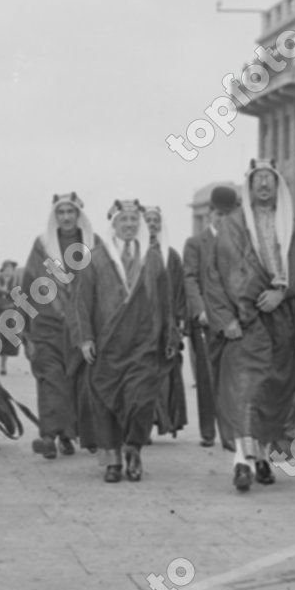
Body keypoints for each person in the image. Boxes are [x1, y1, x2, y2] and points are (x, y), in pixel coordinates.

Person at [205, 159, 295, 492]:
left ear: (278, 186)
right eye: (258, 179)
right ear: (249, 187)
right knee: (243, 393)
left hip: (282, 325)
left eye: (269, 179)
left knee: (273, 393)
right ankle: (242, 462)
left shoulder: (294, 226)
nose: (264, 185)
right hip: (244, 324)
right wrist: (228, 320)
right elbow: (217, 277)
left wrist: (282, 293)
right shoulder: (233, 226)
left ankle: (264, 456)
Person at [76, 199, 175, 483]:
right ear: (114, 225)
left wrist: (169, 334)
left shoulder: (153, 258)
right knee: (107, 402)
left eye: (134, 220)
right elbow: (82, 303)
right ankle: (114, 461)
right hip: (108, 345)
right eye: (124, 220)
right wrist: (85, 339)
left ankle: (133, 447)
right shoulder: (95, 257)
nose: (130, 225)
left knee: (141, 400)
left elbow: (165, 300)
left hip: (144, 343)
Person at [22, 193, 96, 460]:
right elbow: (29, 284)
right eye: (61, 212)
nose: (66, 217)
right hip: (46, 325)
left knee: (74, 381)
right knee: (51, 379)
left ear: (78, 215)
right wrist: (25, 333)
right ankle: (48, 436)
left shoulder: (92, 244)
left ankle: (68, 434)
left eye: (71, 212)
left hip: (79, 326)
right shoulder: (42, 245)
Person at [183, 185, 239, 447]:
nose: (222, 218)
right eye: (218, 213)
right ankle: (208, 430)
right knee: (207, 375)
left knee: (231, 375)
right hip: (205, 320)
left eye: (228, 213)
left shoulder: (240, 241)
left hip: (233, 319)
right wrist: (200, 310)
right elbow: (190, 278)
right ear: (210, 214)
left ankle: (231, 429)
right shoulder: (195, 243)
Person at [144, 205, 187, 439]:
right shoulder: (133, 253)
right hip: (141, 325)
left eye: (156, 220)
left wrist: (179, 321)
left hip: (165, 324)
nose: (152, 224)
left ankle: (159, 418)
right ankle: (143, 421)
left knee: (163, 374)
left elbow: (180, 290)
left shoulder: (171, 255)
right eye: (147, 220)